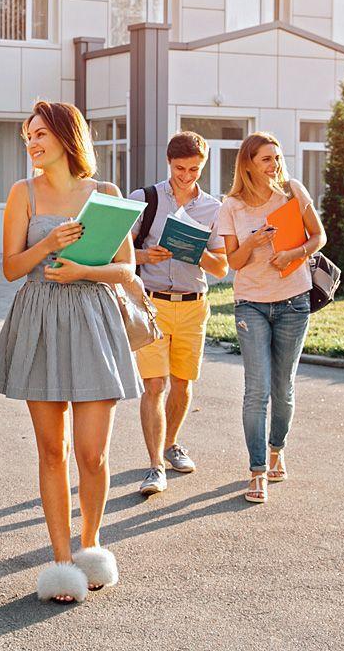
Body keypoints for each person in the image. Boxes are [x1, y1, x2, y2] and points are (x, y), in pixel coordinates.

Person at [0, 101, 142, 604]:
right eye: (26, 136)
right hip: (41, 321)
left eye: (39, 134)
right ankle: (59, 560)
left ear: (65, 135)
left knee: (92, 453)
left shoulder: (107, 194)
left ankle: (92, 546)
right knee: (52, 451)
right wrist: (49, 242)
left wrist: (84, 272)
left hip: (95, 319)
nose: (31, 143)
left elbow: (127, 271)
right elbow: (11, 268)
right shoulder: (21, 193)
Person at [216, 131, 326, 505]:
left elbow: (319, 237)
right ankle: (257, 470)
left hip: (294, 300)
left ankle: (277, 448)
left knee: (283, 387)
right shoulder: (231, 205)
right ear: (248, 163)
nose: (274, 164)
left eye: (276, 157)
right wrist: (256, 241)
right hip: (251, 304)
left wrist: (293, 253)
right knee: (256, 390)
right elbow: (232, 262)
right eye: (266, 159)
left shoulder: (293, 192)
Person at [128, 132, 230, 496]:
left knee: (183, 383)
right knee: (155, 384)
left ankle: (171, 443)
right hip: (151, 304)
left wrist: (195, 251)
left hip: (193, 304)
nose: (186, 175)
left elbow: (221, 268)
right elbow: (115, 251)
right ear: (168, 163)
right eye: (179, 168)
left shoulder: (214, 209)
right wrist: (145, 256)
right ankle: (155, 466)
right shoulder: (144, 199)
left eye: (194, 169)